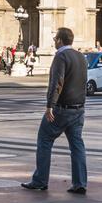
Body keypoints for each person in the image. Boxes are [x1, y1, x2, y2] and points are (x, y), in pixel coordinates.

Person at [22, 27, 88, 194]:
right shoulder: (81, 57)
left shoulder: (61, 56)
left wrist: (50, 105)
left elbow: (57, 82)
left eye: (55, 38)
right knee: (77, 146)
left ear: (60, 40)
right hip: (78, 109)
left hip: (61, 109)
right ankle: (80, 183)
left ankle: (40, 180)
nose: (53, 41)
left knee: (44, 139)